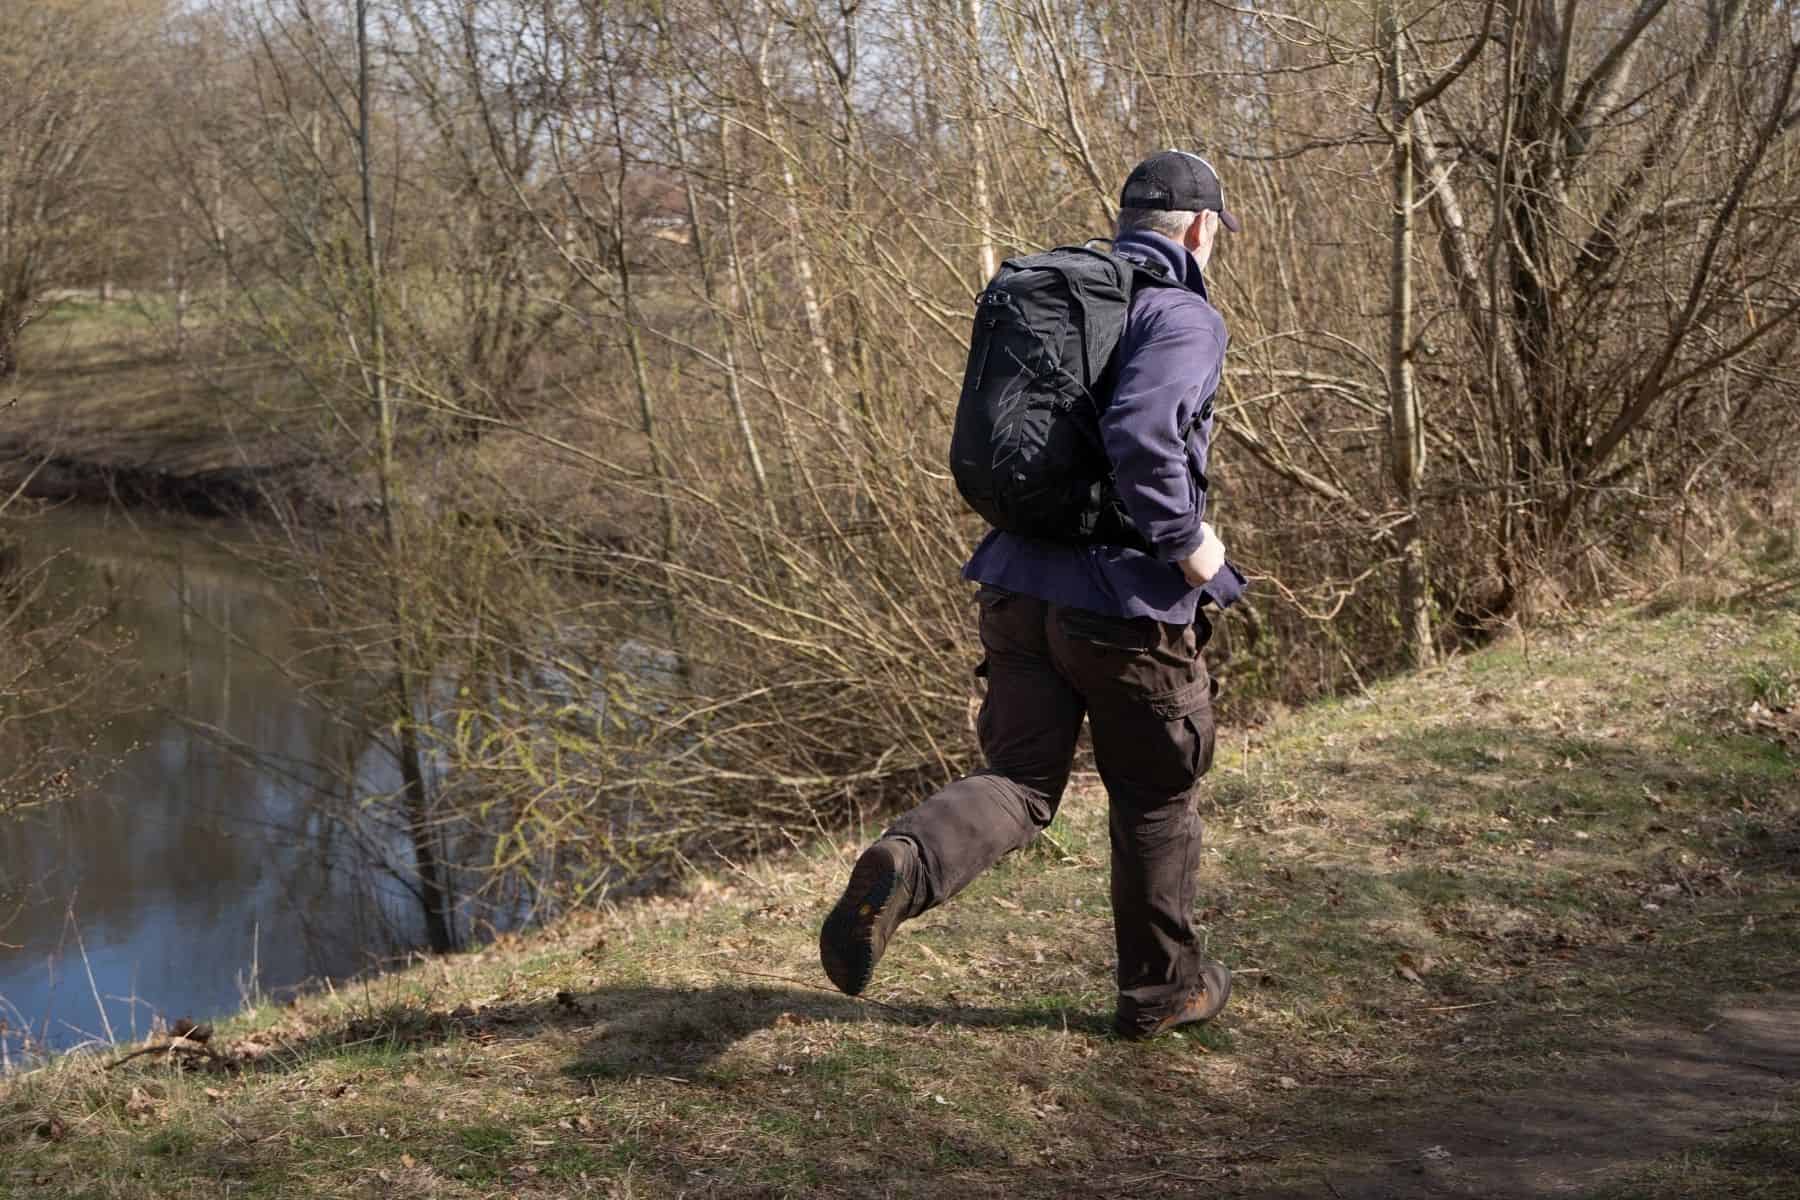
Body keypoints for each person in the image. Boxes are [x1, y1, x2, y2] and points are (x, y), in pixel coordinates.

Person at [819, 150, 1247, 1040]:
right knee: (1155, 795)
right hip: (1125, 607)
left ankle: (905, 859)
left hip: (1016, 584)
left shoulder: (1062, 300)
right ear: (1201, 230)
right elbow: (1141, 433)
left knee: (1018, 779)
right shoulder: (1181, 315)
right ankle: (1162, 990)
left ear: (1129, 222)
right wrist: (1191, 546)